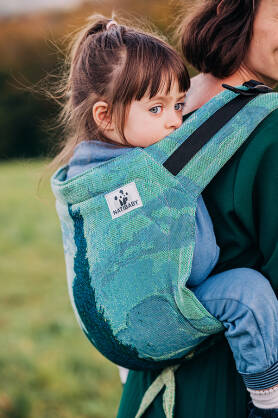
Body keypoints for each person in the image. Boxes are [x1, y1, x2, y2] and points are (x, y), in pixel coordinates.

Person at [117, 0, 278, 417]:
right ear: (234, 9)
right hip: (236, 395)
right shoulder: (272, 129)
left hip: (146, 394)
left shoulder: (151, 111)